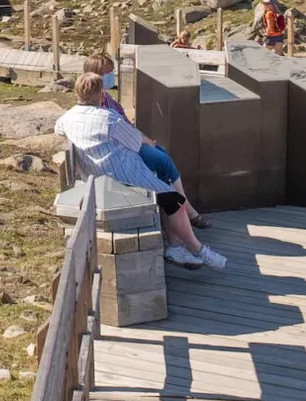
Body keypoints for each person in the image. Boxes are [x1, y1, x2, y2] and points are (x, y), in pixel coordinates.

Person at [56, 74, 225, 269]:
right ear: (101, 95)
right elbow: (136, 144)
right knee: (174, 200)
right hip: (122, 179)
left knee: (164, 189)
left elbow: (58, 128)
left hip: (96, 180)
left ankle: (176, 247)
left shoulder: (67, 118)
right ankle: (199, 250)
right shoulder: (110, 119)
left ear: (77, 93)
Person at [83, 52, 211, 230]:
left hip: (129, 142)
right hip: (121, 152)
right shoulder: (95, 104)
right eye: (108, 71)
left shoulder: (106, 97)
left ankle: (178, 210)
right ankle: (188, 212)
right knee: (163, 160)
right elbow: (116, 132)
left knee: (163, 156)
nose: (112, 74)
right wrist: (143, 140)